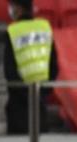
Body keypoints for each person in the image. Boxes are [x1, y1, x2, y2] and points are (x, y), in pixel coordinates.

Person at [4, 0, 59, 134]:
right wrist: (42, 92)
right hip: (40, 101)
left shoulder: (13, 31)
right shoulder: (44, 28)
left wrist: (24, 93)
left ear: (18, 8)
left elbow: (9, 71)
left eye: (12, 6)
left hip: (18, 104)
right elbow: (54, 66)